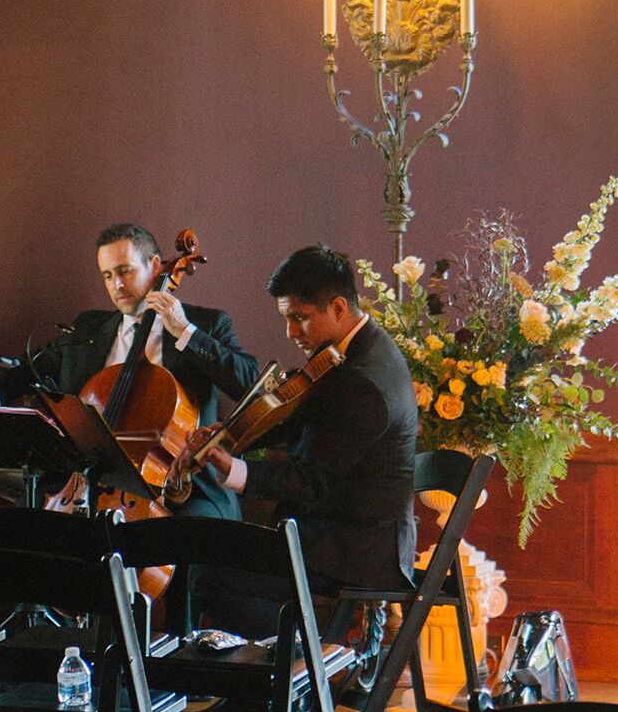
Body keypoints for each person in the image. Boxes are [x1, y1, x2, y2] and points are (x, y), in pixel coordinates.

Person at [222, 244, 420, 610]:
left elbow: (312, 482)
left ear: (339, 308)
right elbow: (299, 416)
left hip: (355, 549)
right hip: (345, 530)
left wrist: (234, 470)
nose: (290, 332)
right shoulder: (357, 350)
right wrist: (231, 435)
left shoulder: (362, 380)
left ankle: (277, 665)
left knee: (214, 571)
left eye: (300, 318)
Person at [57, 221, 261, 518]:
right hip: (96, 484)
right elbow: (31, 364)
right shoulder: (90, 328)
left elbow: (249, 383)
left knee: (185, 533)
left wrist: (186, 332)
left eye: (125, 271)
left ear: (154, 266)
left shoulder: (208, 324)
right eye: (108, 275)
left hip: (187, 488)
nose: (117, 285)